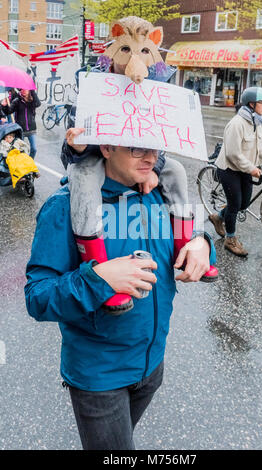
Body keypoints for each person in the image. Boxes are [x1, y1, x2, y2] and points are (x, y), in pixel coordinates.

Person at [25, 141, 217, 450]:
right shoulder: (64, 205)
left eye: (154, 149)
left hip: (152, 366)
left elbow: (189, 241)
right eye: (136, 149)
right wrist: (98, 280)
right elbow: (37, 296)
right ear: (106, 148)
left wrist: (204, 243)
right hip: (99, 378)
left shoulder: (159, 192)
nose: (151, 158)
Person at [62, 16, 218, 315]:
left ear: (154, 46)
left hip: (135, 159)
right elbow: (69, 154)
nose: (136, 59)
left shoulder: (157, 85)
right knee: (82, 175)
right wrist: (76, 147)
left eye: (145, 50)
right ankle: (95, 260)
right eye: (128, 50)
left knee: (176, 170)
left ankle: (186, 241)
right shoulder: (92, 87)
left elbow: (158, 139)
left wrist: (153, 167)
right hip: (99, 159)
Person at [208, 86, 262, 257]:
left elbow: (261, 149)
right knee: (235, 204)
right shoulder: (236, 124)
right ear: (251, 104)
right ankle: (230, 240)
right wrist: (252, 168)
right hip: (229, 169)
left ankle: (218, 217)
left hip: (245, 170)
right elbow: (233, 154)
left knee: (244, 204)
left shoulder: (256, 123)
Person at [1, 88, 41, 158]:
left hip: (31, 129)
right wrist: (5, 106)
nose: (23, 91)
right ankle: (20, 165)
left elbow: (38, 104)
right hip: (20, 129)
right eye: (21, 90)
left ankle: (29, 162)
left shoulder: (32, 100)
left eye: (25, 89)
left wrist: (32, 91)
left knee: (34, 149)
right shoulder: (17, 101)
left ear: (29, 91)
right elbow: (8, 111)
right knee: (19, 150)